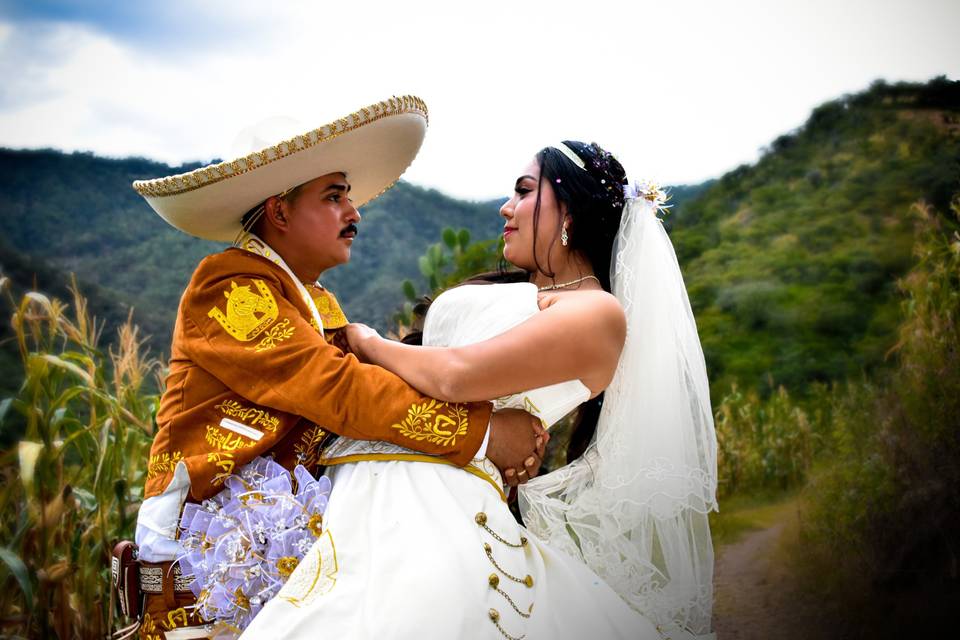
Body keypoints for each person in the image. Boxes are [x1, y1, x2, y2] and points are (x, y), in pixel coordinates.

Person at [242, 141, 718, 639]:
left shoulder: (597, 313)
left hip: (438, 497)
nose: (506, 207)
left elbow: (455, 376)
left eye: (524, 191)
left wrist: (366, 341)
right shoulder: (515, 291)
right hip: (357, 481)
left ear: (571, 211)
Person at [126, 96, 546, 640]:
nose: (354, 213)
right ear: (278, 211)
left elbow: (369, 392)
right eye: (334, 196)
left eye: (348, 196)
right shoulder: (231, 287)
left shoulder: (313, 300)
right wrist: (484, 433)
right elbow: (339, 391)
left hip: (278, 551)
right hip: (209, 560)